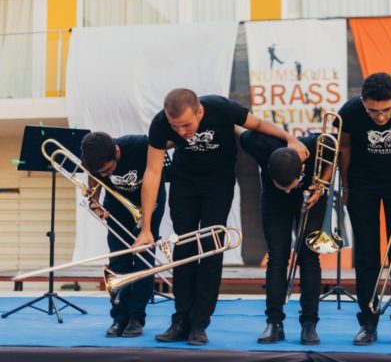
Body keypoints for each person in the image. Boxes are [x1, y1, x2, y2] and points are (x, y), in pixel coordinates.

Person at [134, 88, 308, 346]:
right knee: (184, 250)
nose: (181, 132)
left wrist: (289, 138)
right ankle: (180, 319)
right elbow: (152, 173)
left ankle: (199, 323)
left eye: (186, 125)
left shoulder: (220, 108)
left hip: (218, 183)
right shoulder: (161, 124)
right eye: (175, 127)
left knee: (210, 250)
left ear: (200, 112)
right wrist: (146, 227)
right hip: (184, 185)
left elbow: (258, 124)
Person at [337, 72, 391, 346]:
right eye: (374, 111)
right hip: (363, 185)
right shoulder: (350, 112)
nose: (381, 117)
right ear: (363, 102)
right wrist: (347, 187)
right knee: (366, 254)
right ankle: (369, 322)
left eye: (387, 110)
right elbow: (345, 149)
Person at [238, 127, 329, 345]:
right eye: (283, 186)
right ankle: (274, 323)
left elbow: (336, 153)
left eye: (290, 186)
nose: (288, 190)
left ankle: (309, 324)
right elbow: (236, 124)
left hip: (311, 196)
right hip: (273, 202)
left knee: (308, 257)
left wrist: (322, 184)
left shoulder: (316, 145)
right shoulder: (260, 145)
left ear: (302, 169)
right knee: (277, 258)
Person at [80, 132, 166, 338]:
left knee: (143, 262)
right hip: (118, 205)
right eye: (101, 172)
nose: (105, 174)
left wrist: (145, 225)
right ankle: (119, 317)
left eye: (108, 169)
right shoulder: (93, 160)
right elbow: (93, 176)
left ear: (117, 151)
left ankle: (137, 317)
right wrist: (95, 202)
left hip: (149, 203)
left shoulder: (140, 145)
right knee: (118, 260)